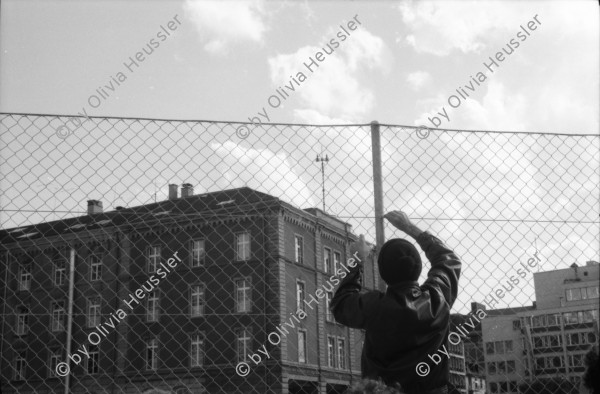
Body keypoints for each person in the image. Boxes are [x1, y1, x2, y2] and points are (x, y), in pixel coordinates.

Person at [331, 211, 462, 394]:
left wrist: (357, 261)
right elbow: (448, 259)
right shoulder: (437, 299)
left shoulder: (374, 306)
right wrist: (410, 228)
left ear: (383, 273)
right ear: (418, 269)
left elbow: (340, 304)